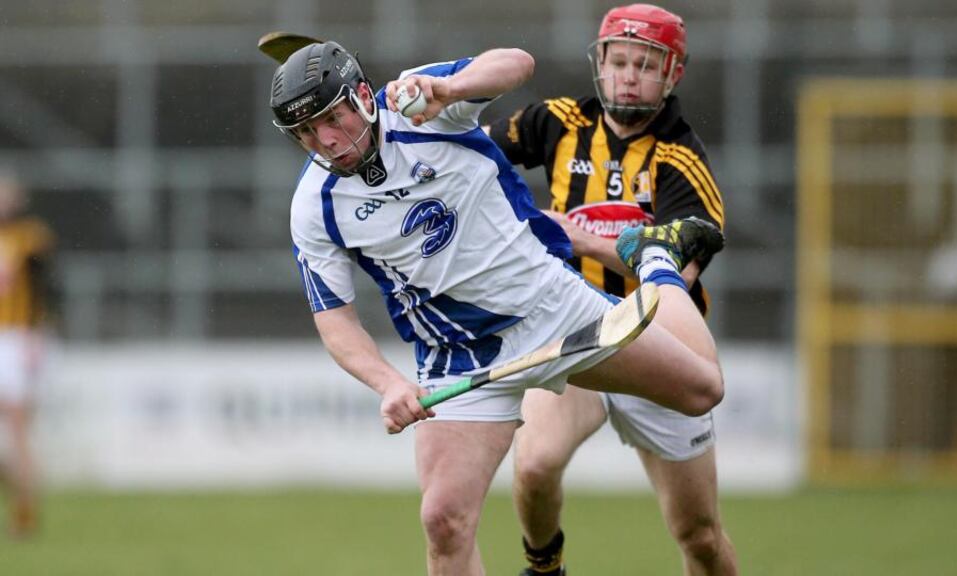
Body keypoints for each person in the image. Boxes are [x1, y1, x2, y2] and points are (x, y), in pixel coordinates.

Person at [269, 39, 725, 576]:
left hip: (555, 307)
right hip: (460, 356)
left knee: (702, 391)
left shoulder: (421, 104)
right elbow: (335, 320)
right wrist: (388, 383)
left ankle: (654, 262)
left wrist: (451, 89)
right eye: (305, 132)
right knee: (443, 520)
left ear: (362, 96)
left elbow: (517, 63)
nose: (325, 141)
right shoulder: (314, 206)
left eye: (333, 118)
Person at [487, 4, 738, 574]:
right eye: (618, 61)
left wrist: (582, 239)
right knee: (534, 465)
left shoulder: (680, 159)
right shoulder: (557, 123)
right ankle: (544, 566)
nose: (629, 75)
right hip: (574, 328)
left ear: (672, 75)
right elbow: (472, 155)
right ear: (599, 63)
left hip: (659, 342)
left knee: (698, 536)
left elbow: (680, 275)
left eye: (645, 65)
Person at [0, 174, 54, 539]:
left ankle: (25, 511)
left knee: (18, 426)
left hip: (16, 338)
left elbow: (44, 287)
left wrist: (36, 335)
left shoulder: (31, 236)